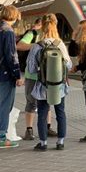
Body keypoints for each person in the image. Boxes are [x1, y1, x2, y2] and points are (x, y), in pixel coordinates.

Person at [26, 14, 72, 151]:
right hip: (59, 85)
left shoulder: (37, 46)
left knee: (42, 113)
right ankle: (61, 142)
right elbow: (69, 65)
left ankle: (43, 143)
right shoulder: (60, 44)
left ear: (42, 28)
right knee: (60, 112)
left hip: (42, 86)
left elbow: (31, 68)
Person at [0, 5, 23, 148]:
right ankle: (2, 137)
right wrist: (17, 75)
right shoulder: (8, 32)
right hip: (5, 75)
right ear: (15, 15)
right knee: (5, 105)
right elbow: (11, 56)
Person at [17, 18, 57, 140]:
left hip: (48, 75)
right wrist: (37, 45)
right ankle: (29, 130)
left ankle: (47, 127)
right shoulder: (33, 34)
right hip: (32, 75)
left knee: (47, 101)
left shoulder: (53, 36)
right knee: (31, 102)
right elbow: (19, 45)